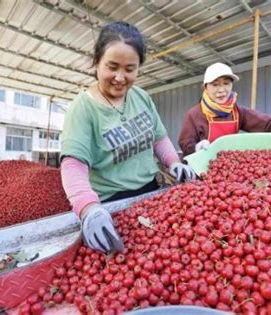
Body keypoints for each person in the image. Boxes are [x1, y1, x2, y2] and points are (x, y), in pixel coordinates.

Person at [60, 21, 196, 253]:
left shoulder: (141, 97)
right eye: (112, 67)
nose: (120, 77)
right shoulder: (83, 108)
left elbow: (159, 138)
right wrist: (88, 208)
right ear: (96, 63)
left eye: (130, 69)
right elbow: (73, 165)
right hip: (111, 207)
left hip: (152, 193)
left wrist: (173, 162)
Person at [178, 62, 271, 156]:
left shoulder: (237, 111)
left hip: (229, 167)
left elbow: (266, 122)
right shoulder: (195, 114)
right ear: (206, 88)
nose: (221, 90)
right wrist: (196, 148)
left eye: (226, 83)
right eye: (215, 84)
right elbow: (185, 143)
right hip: (202, 172)